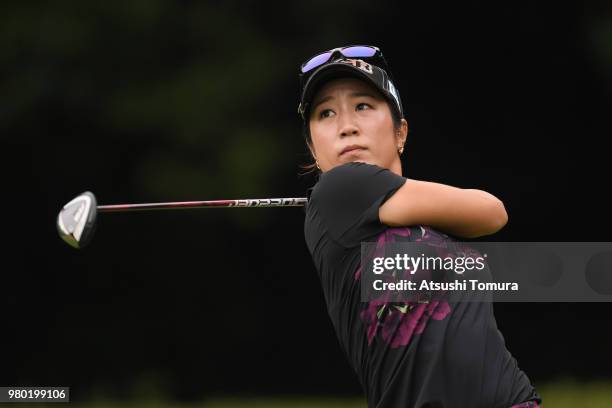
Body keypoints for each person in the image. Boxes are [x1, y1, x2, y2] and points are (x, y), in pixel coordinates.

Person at [299, 45, 542, 408]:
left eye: (363, 106)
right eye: (326, 113)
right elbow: (491, 210)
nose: (346, 126)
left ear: (401, 132)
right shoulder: (340, 187)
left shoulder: (425, 223)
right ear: (313, 148)